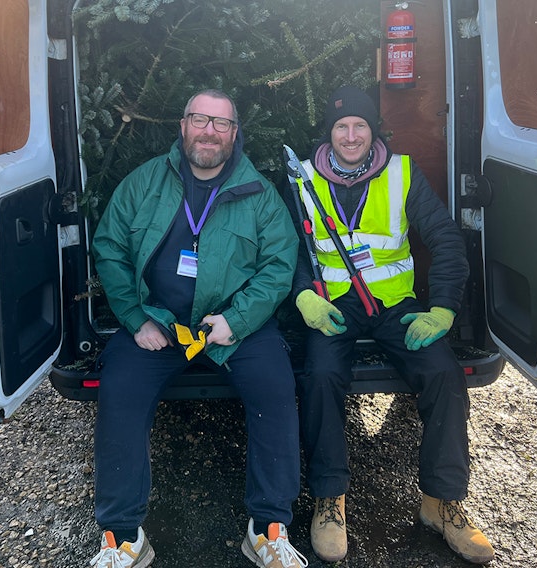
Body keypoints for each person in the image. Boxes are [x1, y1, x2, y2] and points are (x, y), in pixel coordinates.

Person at [90, 89, 308, 568]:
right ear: (183, 125)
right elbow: (108, 246)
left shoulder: (259, 193)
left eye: (221, 123)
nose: (209, 131)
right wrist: (135, 317)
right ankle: (123, 536)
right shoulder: (144, 183)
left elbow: (278, 265)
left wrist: (239, 318)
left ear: (234, 133)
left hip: (234, 327)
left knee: (275, 389)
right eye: (199, 119)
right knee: (120, 391)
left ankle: (268, 527)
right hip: (159, 324)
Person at [288, 86, 495, 565]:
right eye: (342, 126)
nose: (351, 135)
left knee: (443, 373)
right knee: (319, 377)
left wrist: (442, 308)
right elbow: (290, 249)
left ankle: (441, 502)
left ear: (373, 130)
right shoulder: (301, 178)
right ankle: (329, 499)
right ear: (330, 133)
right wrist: (303, 295)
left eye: (360, 125)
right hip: (333, 305)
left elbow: (445, 239)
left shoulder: (402, 172)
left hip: (394, 304)